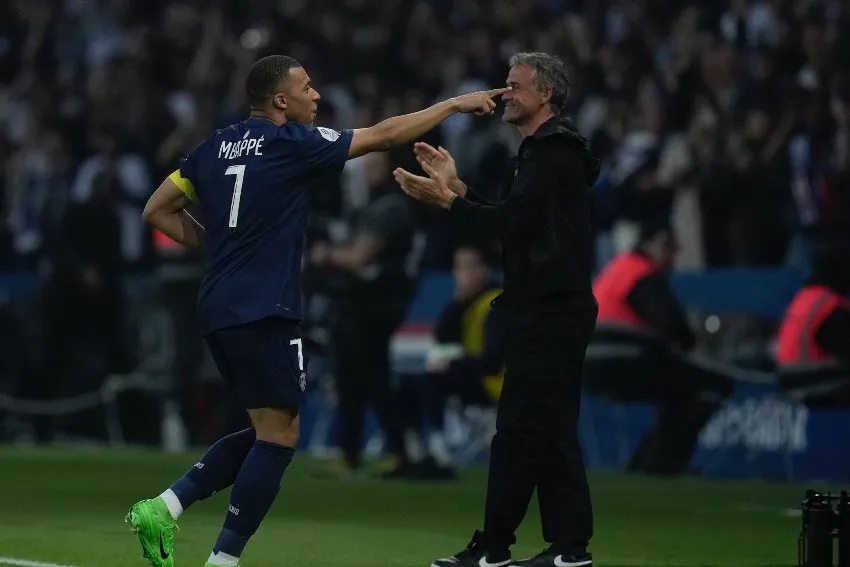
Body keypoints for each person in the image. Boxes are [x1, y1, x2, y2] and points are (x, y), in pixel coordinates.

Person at [130, 53, 508, 567]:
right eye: (307, 88)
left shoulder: (212, 148)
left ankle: (166, 507)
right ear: (280, 100)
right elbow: (383, 133)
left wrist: (218, 247)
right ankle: (221, 559)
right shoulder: (293, 144)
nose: (317, 96)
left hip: (217, 304)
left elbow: (155, 209)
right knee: (280, 437)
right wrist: (453, 105)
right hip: (265, 305)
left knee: (270, 430)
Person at [394, 52, 600, 567]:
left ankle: (498, 548)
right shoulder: (547, 151)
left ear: (545, 94)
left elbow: (509, 226)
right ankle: (564, 550)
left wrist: (450, 204)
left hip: (549, 310)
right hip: (551, 306)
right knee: (547, 431)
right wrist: (460, 189)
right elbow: (515, 218)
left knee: (518, 433)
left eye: (515, 85)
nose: (505, 93)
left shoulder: (550, 151)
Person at [585, 220, 732, 475]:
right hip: (624, 361)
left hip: (592, 366)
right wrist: (688, 344)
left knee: (676, 392)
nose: (670, 257)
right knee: (709, 385)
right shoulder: (641, 272)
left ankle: (646, 463)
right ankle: (663, 462)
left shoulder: (616, 269)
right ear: (650, 244)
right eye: (668, 247)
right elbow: (670, 322)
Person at [393, 243, 507, 480]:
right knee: (407, 383)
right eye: (458, 267)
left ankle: (439, 452)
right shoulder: (465, 304)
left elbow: (493, 361)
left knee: (434, 380)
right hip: (474, 376)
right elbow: (443, 338)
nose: (462, 274)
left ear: (484, 269)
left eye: (469, 267)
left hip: (496, 383)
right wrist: (456, 304)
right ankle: (414, 453)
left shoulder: (497, 304)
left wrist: (453, 363)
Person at [776, 241, 850, 405]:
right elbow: (845, 347)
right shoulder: (830, 307)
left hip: (792, 382)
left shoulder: (806, 297)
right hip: (816, 385)